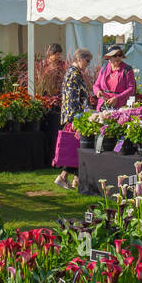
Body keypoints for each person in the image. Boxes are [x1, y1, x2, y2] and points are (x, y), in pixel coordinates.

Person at [54, 48, 95, 189]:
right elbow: (72, 99)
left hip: (77, 116)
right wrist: (75, 120)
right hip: (74, 117)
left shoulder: (76, 73)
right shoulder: (73, 74)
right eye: (87, 60)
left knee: (77, 147)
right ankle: (62, 177)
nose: (89, 63)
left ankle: (76, 179)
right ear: (79, 59)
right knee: (75, 147)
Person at [92, 44, 136, 108]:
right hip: (103, 104)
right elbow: (96, 85)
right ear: (109, 57)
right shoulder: (104, 68)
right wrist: (97, 91)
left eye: (120, 55)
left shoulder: (127, 69)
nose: (118, 57)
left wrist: (117, 98)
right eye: (115, 55)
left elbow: (131, 88)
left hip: (120, 105)